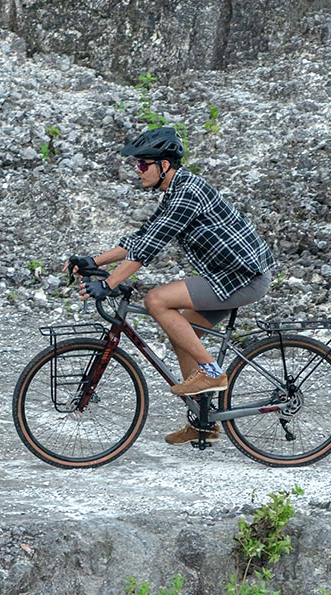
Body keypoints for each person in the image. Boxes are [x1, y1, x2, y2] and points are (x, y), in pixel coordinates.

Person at [66, 127, 276, 445]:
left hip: (243, 277)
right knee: (182, 336)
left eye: (142, 164)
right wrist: (94, 261)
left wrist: (110, 283)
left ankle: (212, 371)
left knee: (157, 300)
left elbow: (149, 249)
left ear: (164, 164)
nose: (138, 171)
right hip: (226, 275)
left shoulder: (186, 193)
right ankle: (204, 423)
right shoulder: (175, 191)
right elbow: (144, 236)